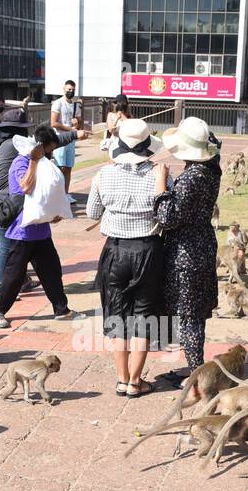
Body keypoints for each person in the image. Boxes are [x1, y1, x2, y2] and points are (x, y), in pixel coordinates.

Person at [87, 118, 167, 398]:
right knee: (143, 317)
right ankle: (135, 381)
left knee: (117, 316)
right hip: (147, 250)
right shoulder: (159, 173)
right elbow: (165, 216)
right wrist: (160, 184)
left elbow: (93, 213)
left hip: (115, 251)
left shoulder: (103, 174)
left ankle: (122, 379)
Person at [0, 109, 89, 303]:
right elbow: (26, 185)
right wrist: (34, 159)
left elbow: (51, 143)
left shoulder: (6, 144)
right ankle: (0, 294)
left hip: (24, 213)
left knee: (46, 268)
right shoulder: (18, 150)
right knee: (10, 255)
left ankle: (58, 306)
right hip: (10, 208)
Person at [153, 117, 221, 387]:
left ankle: (196, 375)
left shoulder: (193, 177)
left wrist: (161, 186)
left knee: (189, 314)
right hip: (202, 244)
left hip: (187, 252)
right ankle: (195, 367)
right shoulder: (212, 169)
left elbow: (168, 217)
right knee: (196, 311)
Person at [0, 126, 75, 329]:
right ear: (40, 148)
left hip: (41, 230)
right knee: (14, 276)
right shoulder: (21, 163)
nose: (51, 154)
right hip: (21, 231)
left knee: (52, 271)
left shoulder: (44, 163)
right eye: (48, 150)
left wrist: (54, 212)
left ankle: (61, 309)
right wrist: (35, 161)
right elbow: (26, 188)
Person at [50, 79, 82, 195]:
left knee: (68, 168)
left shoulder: (75, 105)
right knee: (60, 168)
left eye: (73, 90)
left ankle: (66, 194)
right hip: (60, 139)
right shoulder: (58, 103)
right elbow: (53, 123)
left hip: (71, 140)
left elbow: (79, 122)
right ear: (64, 89)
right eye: (69, 89)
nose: (71, 91)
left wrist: (77, 123)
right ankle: (57, 194)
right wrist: (70, 129)